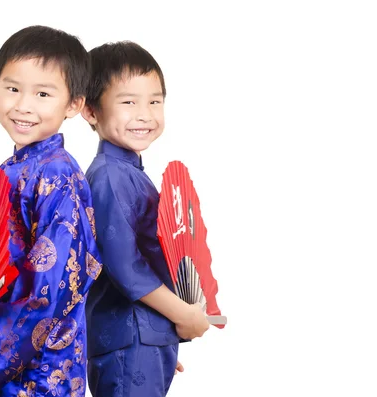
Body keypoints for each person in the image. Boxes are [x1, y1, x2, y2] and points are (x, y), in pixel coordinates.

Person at [0, 25, 102, 397]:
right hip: (0, 362)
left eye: (43, 94)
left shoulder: (59, 174)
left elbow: (56, 282)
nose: (23, 105)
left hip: (44, 370)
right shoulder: (10, 170)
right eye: (12, 88)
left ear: (74, 104)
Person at [81, 41, 210, 397]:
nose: (145, 114)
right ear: (90, 110)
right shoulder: (109, 175)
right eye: (128, 101)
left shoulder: (128, 171)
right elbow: (125, 268)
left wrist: (161, 335)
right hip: (129, 335)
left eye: (155, 101)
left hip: (140, 337)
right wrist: (183, 315)